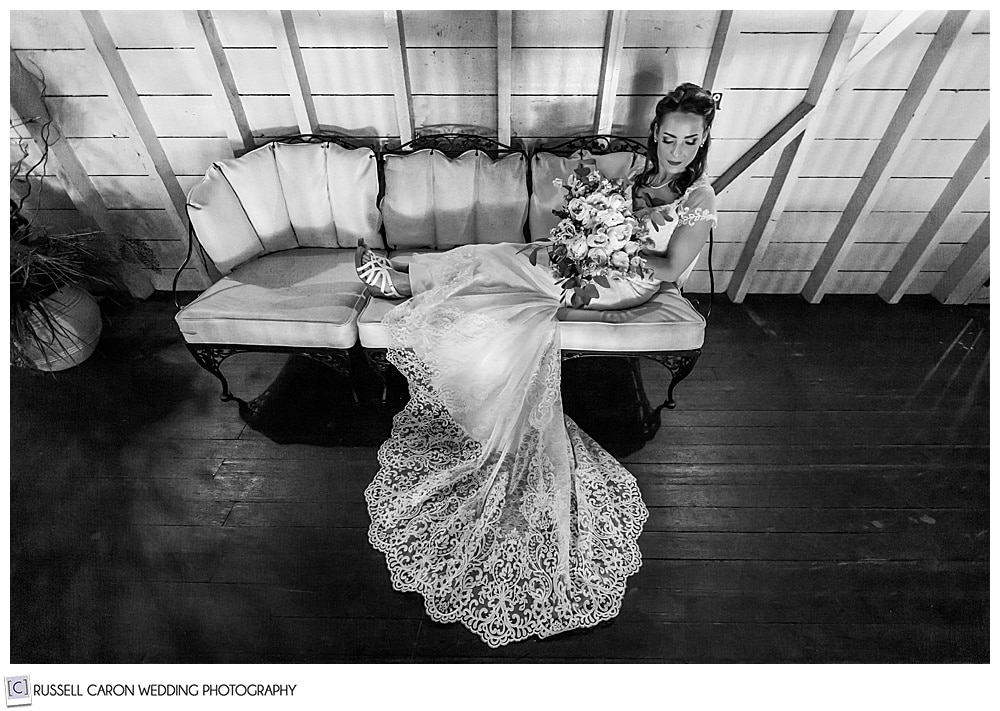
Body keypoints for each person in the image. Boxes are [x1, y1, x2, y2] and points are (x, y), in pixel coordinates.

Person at [359, 83, 717, 647]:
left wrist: (609, 246)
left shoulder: (699, 196)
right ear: (656, 134)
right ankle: (403, 277)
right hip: (596, 259)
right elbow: (592, 211)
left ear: (702, 142)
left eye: (689, 141)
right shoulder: (641, 176)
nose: (677, 150)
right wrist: (586, 228)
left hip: (627, 281)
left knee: (521, 265)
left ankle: (402, 281)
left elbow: (672, 266)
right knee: (511, 256)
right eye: (669, 137)